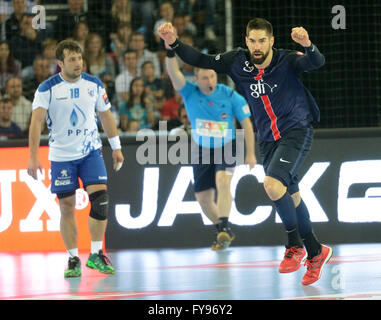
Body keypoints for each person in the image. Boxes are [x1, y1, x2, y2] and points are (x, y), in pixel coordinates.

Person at [158, 18, 332, 285]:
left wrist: (308, 45)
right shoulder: (237, 61)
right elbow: (201, 59)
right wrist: (174, 42)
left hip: (296, 130)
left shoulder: (286, 60)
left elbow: (316, 63)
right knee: (292, 196)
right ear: (247, 40)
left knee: (273, 185)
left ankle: (293, 245)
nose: (257, 46)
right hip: (267, 139)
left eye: (262, 40)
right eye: (253, 40)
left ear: (272, 41)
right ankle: (317, 251)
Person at [27, 40, 124, 278]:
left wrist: (116, 147)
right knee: (67, 207)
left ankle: (95, 253)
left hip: (90, 151)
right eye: (72, 59)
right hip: (61, 157)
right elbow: (36, 122)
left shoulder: (94, 83)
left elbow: (106, 115)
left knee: (100, 199)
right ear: (60, 63)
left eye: (79, 58)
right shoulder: (47, 88)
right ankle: (72, 259)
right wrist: (32, 157)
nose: (78, 62)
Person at [164, 46, 256, 250]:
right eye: (204, 78)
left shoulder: (230, 95)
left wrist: (250, 153)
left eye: (212, 76)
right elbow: (174, 73)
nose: (210, 81)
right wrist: (170, 52)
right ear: (196, 79)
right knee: (203, 198)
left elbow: (247, 124)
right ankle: (224, 230)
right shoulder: (189, 93)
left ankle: (223, 225)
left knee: (223, 180)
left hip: (227, 145)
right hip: (202, 148)